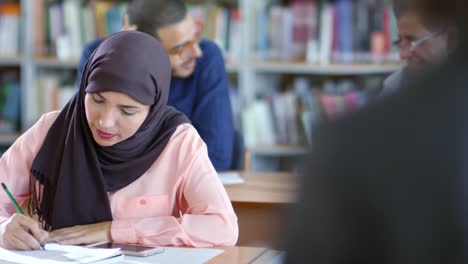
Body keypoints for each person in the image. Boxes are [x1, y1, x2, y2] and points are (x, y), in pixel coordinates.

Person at [0, 31, 238, 250]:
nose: (105, 122)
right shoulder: (51, 130)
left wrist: (112, 230)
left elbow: (222, 227)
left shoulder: (179, 143)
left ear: (152, 109)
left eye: (127, 111)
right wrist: (3, 229)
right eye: (97, 100)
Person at [286, 0, 468, 262]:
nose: (404, 53)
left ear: (449, 35)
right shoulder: (393, 90)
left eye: (413, 41)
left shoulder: (348, 139)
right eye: (400, 42)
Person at [78, 0, 234, 171]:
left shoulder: (207, 58)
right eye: (180, 48)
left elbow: (216, 156)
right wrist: (125, 61)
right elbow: (86, 149)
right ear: (143, 48)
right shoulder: (99, 56)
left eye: (196, 36)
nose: (196, 52)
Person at [381, 0, 458, 95]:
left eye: (412, 41)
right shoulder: (396, 87)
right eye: (400, 42)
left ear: (450, 37)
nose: (403, 55)